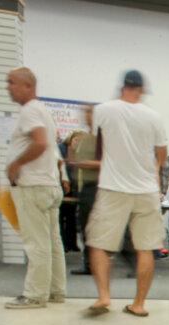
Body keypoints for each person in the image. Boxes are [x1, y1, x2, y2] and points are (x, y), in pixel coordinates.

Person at [84, 70, 167, 318]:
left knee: (99, 244)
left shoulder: (105, 109)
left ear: (123, 88)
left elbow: (91, 126)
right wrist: (153, 169)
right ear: (141, 90)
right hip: (146, 189)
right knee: (146, 248)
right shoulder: (154, 116)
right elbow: (161, 152)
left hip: (113, 187)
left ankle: (104, 296)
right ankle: (139, 303)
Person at [3, 67, 66, 309]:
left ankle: (35, 295)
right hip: (49, 184)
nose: (8, 86)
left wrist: (16, 164)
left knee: (36, 242)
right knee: (52, 242)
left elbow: (40, 143)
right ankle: (55, 290)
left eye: (12, 82)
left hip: (33, 186)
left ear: (28, 86)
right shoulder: (43, 111)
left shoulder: (29, 111)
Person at [67, 105, 100, 276]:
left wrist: (82, 163)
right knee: (86, 228)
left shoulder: (102, 137)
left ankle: (95, 264)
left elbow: (106, 163)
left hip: (96, 188)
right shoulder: (83, 138)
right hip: (82, 188)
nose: (86, 115)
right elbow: (72, 163)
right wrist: (72, 150)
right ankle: (89, 264)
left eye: (90, 112)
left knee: (95, 230)